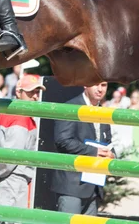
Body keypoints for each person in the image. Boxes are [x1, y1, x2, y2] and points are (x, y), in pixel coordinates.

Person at [0, 75, 45, 222]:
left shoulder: (6, 113)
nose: (35, 97)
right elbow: (11, 159)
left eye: (37, 92)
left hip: (4, 179)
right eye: (31, 92)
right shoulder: (21, 118)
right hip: (12, 181)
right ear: (19, 92)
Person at [51, 82, 114, 216]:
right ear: (85, 85)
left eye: (104, 85)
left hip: (94, 185)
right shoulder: (70, 107)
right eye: (96, 84)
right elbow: (62, 141)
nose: (100, 89)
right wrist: (94, 152)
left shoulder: (104, 112)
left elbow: (107, 142)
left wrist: (110, 155)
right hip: (71, 185)